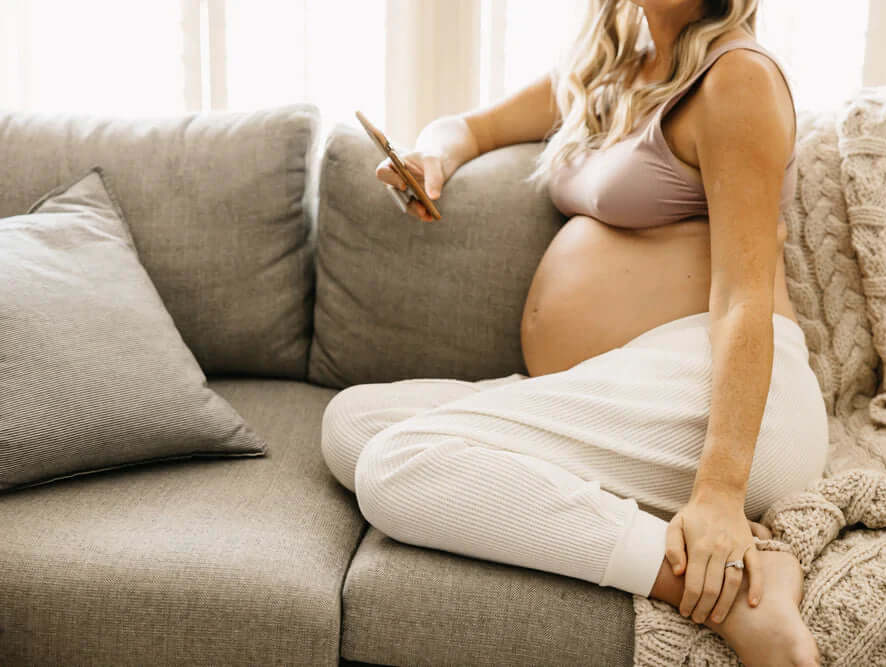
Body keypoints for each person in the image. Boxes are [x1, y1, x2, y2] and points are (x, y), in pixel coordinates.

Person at [322, 1, 828, 665]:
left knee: (393, 467)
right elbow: (467, 127)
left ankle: (729, 591)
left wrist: (721, 493)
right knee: (351, 424)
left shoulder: (735, 79)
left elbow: (742, 299)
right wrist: (435, 158)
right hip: (626, 387)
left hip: (730, 403)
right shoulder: (611, 69)